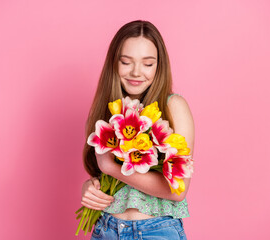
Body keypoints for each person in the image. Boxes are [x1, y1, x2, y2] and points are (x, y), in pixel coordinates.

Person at [81, 20, 195, 239]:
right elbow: (98, 174)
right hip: (106, 228)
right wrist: (89, 188)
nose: (136, 72)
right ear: (114, 63)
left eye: (148, 64)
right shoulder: (105, 110)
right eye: (126, 62)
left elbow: (177, 190)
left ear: (159, 66)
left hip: (156, 231)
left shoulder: (173, 106)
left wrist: (111, 167)